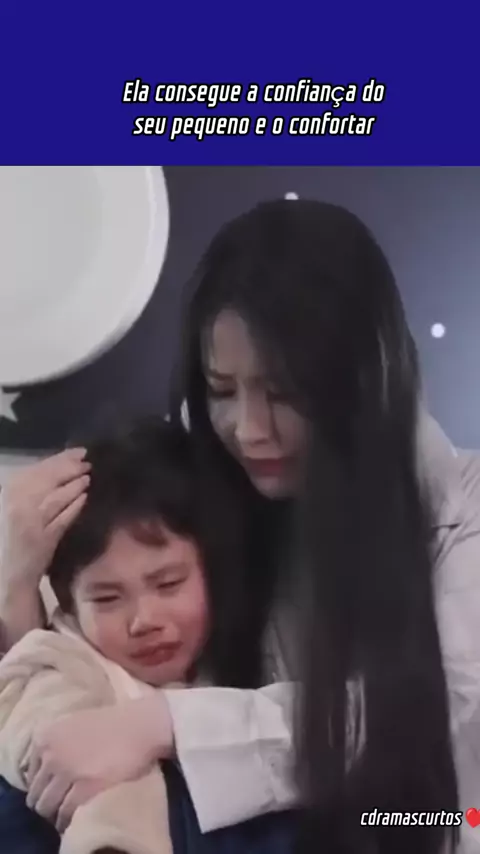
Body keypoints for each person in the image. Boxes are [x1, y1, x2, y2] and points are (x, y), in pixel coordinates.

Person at [2, 199, 480, 854]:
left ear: (364, 376)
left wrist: (165, 725)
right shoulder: (205, 472)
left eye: (282, 391)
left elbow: (441, 712)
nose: (250, 429)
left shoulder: (462, 512)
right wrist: (16, 582)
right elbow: (60, 687)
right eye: (222, 390)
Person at [0, 418, 297, 854]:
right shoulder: (63, 672)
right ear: (68, 603)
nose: (144, 620)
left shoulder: (261, 654)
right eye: (107, 598)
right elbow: (39, 720)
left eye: (168, 584)